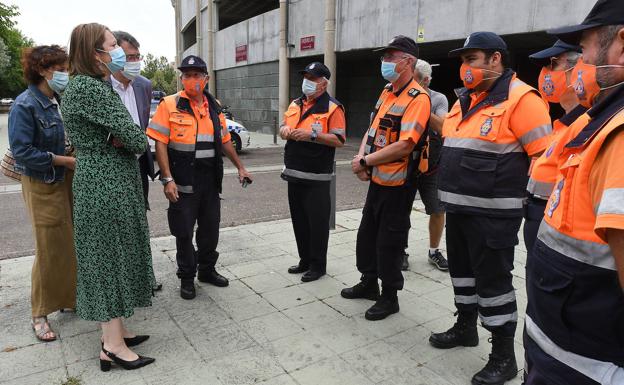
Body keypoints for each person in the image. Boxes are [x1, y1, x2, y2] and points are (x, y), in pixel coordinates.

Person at [429, 32, 552, 385]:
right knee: (463, 277)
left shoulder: (522, 99)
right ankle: (466, 327)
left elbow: (544, 160)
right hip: (460, 210)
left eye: (472, 59)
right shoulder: (465, 99)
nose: (465, 67)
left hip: (495, 216)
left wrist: (533, 214)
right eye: (463, 61)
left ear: (495, 59)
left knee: (494, 284)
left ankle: (503, 357)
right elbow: (455, 141)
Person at [524, 1, 624, 383]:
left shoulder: (618, 129)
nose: (579, 63)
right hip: (563, 341)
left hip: (585, 362)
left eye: (582, 50)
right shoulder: (601, 121)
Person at [61, 23, 155, 371]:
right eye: (112, 45)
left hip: (98, 181)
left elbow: (123, 135)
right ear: (94, 52)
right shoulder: (93, 90)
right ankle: (113, 347)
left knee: (104, 256)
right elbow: (136, 139)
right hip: (106, 186)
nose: (117, 52)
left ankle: (114, 334)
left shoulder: (80, 87)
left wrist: (119, 137)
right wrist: (124, 137)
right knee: (111, 259)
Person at [147, 55, 252, 300]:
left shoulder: (213, 106)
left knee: (209, 230)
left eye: (196, 75)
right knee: (183, 231)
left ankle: (206, 270)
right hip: (182, 182)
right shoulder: (169, 104)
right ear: (182, 78)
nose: (191, 80)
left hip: (209, 181)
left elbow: (225, 141)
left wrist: (240, 167)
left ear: (205, 78)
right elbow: (160, 143)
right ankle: (186, 277)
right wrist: (167, 179)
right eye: (186, 75)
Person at [342, 36, 431, 321]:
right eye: (384, 57)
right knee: (367, 236)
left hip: (399, 185)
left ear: (407, 61)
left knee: (389, 242)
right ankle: (369, 282)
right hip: (378, 180)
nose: (385, 62)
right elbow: (372, 129)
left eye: (391, 57)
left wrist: (367, 161)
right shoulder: (388, 92)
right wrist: (360, 160)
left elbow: (406, 144)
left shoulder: (419, 99)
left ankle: (389, 295)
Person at [8, 45, 76, 342]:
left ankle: (68, 298)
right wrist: (63, 160)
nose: (65, 74)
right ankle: (39, 312)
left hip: (66, 178)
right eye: (60, 69)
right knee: (48, 246)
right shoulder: (24, 105)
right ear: (42, 70)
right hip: (42, 182)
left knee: (68, 242)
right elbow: (23, 152)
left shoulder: (58, 100)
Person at [280, 62, 346, 282]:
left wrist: (312, 136)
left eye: (313, 78)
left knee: (317, 224)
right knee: (299, 221)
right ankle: (305, 260)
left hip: (317, 176)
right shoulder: (295, 103)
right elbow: (281, 128)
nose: (307, 81)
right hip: (294, 173)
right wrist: (285, 131)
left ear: (324, 83)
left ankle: (318, 266)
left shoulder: (334, 108)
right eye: (306, 76)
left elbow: (339, 140)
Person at [523, 41, 586, 258]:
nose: (545, 74)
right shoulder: (562, 123)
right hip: (541, 229)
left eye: (552, 65)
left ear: (577, 69)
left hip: (558, 240)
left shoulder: (587, 125)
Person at [111, 30, 161, 292]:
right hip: (111, 166)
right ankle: (120, 282)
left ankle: (143, 277)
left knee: (139, 222)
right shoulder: (100, 86)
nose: (135, 62)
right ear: (115, 56)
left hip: (138, 165)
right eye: (129, 56)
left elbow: (142, 124)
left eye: (137, 56)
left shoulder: (143, 84)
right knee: (115, 226)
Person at [402, 59, 449, 272]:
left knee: (438, 210)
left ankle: (434, 251)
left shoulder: (438, 99)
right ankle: (400, 250)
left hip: (433, 166)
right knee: (401, 211)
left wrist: (420, 105)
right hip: (405, 164)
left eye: (413, 80)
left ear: (426, 80)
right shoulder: (397, 95)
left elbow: (443, 127)